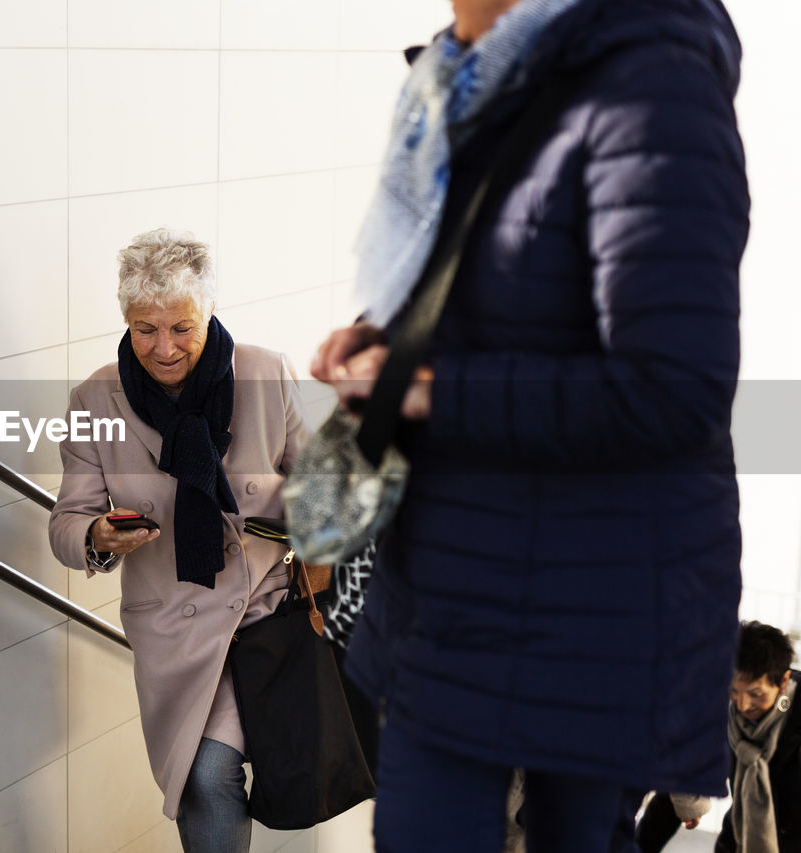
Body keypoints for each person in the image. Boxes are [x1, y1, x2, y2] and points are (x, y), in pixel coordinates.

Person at [310, 0, 749, 850]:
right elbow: (498, 285)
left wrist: (433, 390)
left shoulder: (654, 86)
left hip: (592, 613)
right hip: (457, 587)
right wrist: (387, 339)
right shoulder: (475, 69)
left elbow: (673, 390)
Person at [48, 228, 308, 853]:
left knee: (261, 774)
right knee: (204, 774)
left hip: (265, 615)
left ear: (209, 312)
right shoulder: (94, 397)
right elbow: (65, 523)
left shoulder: (265, 374)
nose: (164, 348)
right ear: (126, 322)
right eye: (145, 329)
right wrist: (98, 534)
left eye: (181, 327)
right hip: (173, 628)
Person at [714, 621, 801, 852]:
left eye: (756, 694)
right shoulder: (722, 712)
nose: (742, 705)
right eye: (733, 691)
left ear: (783, 681)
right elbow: (685, 769)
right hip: (737, 840)